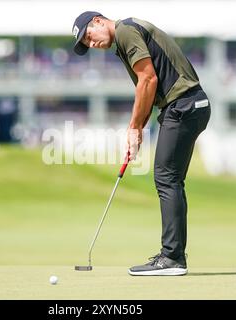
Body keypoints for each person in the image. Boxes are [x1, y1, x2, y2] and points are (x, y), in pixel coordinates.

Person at [72, 12, 211, 276]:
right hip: (188, 106)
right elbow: (148, 90)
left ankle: (172, 258)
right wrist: (137, 132)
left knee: (166, 178)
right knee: (170, 179)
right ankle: (174, 256)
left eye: (89, 36)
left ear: (99, 21)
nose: (92, 44)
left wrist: (134, 127)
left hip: (183, 105)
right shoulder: (124, 40)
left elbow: (148, 80)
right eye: (87, 44)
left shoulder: (125, 31)